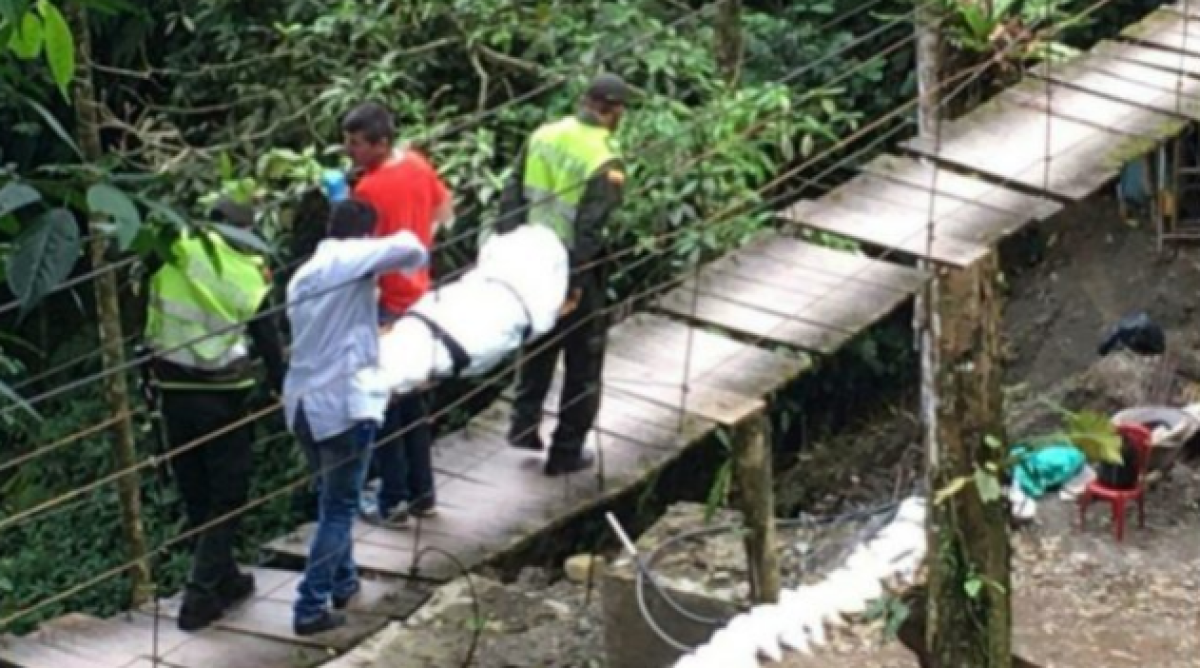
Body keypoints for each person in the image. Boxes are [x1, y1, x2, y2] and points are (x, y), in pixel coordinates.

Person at [283, 199, 427, 635]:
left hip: (303, 405)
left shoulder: (303, 274)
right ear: (364, 236)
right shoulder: (349, 259)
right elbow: (412, 249)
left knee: (333, 498)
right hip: (344, 403)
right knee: (340, 507)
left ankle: (344, 582)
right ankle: (310, 606)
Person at [143, 198, 286, 632]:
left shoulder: (175, 249)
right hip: (222, 397)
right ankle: (199, 596)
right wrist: (283, 385)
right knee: (228, 494)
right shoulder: (246, 273)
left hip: (171, 392)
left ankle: (224, 579)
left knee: (197, 490)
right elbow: (267, 340)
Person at [496, 73, 629, 476]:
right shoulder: (604, 159)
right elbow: (589, 230)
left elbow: (512, 197)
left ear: (584, 100)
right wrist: (574, 286)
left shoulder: (544, 134)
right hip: (573, 268)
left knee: (539, 339)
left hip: (532, 259)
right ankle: (566, 452)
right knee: (584, 360)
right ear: (615, 111)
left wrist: (508, 255)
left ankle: (523, 423)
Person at [341, 102, 454, 527]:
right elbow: (445, 213)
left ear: (380, 143)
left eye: (356, 144)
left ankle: (392, 501)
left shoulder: (368, 191)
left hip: (387, 302)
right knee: (412, 400)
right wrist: (417, 245)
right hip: (420, 296)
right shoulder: (419, 165)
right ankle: (422, 493)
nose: (349, 151)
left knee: (384, 402)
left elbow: (359, 254)